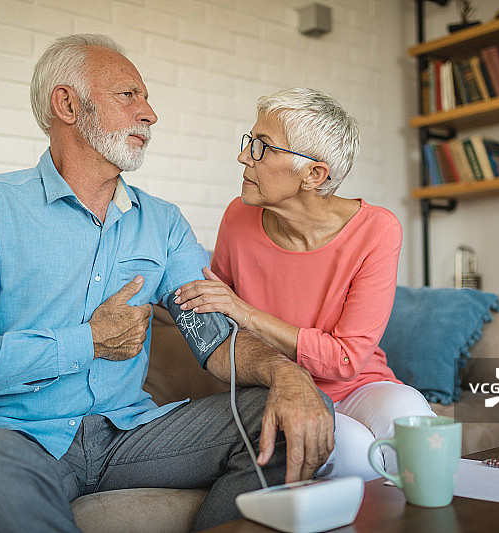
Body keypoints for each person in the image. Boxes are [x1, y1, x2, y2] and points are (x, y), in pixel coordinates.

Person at [0, 36, 334, 532]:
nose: (150, 114)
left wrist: (285, 372)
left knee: (290, 415)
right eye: (129, 95)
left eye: (147, 99)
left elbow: (215, 338)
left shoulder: (163, 224)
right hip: (6, 436)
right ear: (67, 104)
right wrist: (85, 342)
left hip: (129, 436)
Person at [174, 88, 435, 480]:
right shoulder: (238, 217)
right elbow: (219, 323)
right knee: (348, 452)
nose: (244, 156)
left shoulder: (377, 230)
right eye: (250, 142)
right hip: (275, 388)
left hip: (361, 386)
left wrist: (247, 313)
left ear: (314, 175)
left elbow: (346, 360)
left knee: (414, 424)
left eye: (263, 147)